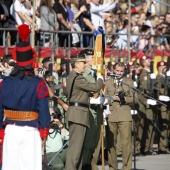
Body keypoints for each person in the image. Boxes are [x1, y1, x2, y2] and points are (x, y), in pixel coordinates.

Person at [0, 24, 51, 170]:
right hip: (31, 131)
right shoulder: (39, 83)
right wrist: (44, 131)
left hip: (10, 129)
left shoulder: (5, 83)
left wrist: (1, 131)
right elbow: (43, 110)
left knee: (10, 166)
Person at [65, 53, 104, 170]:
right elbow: (95, 87)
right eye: (83, 63)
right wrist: (100, 78)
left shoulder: (73, 76)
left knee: (78, 149)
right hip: (78, 114)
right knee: (75, 150)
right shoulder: (78, 78)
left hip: (77, 114)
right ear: (76, 65)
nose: (85, 65)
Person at [104, 62, 137, 170]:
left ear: (124, 71)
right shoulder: (108, 82)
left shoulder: (129, 82)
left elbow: (135, 98)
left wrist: (123, 99)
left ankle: (126, 167)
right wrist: (112, 98)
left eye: (121, 71)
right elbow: (103, 98)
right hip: (111, 115)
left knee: (126, 143)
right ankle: (113, 167)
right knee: (111, 143)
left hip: (125, 115)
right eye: (117, 71)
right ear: (114, 70)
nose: (119, 73)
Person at [138, 55, 157, 155]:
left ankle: (147, 147)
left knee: (150, 127)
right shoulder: (144, 74)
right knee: (144, 127)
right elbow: (145, 90)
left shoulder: (149, 73)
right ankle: (142, 148)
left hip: (151, 103)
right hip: (145, 103)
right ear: (144, 63)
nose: (150, 60)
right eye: (148, 59)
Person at [155, 61, 170, 154]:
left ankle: (166, 145)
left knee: (168, 126)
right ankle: (163, 146)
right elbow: (157, 89)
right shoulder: (157, 78)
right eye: (161, 67)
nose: (163, 68)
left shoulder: (167, 77)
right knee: (164, 126)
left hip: (168, 103)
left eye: (164, 66)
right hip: (163, 104)